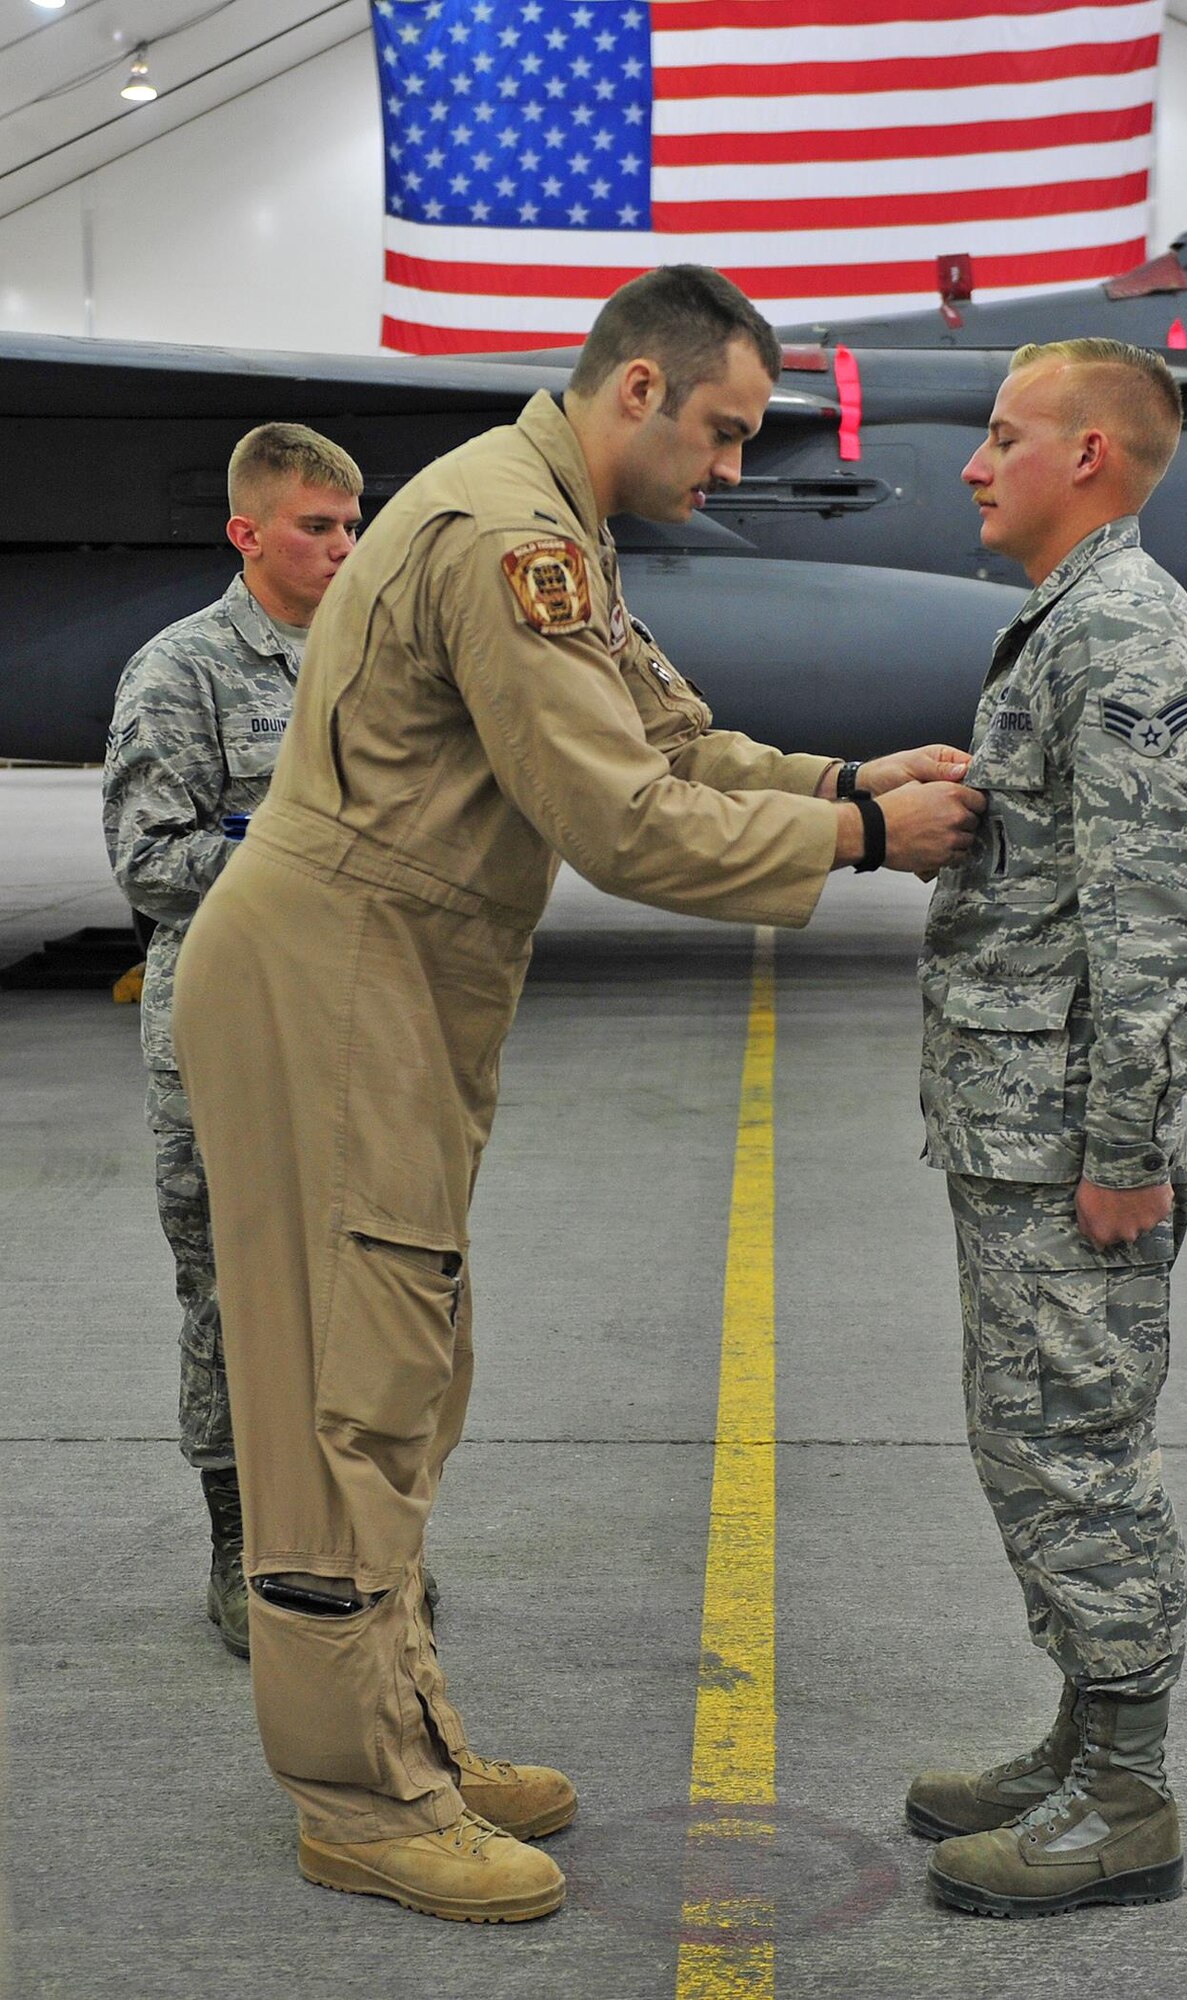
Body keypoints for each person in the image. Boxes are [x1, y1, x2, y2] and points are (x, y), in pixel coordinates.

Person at [172, 265, 986, 1925]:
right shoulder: (502, 535)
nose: (734, 468)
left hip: (386, 975)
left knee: (405, 1368)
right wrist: (855, 841)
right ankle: (361, 1802)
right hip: (333, 975)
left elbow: (667, 743)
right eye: (724, 430)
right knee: (348, 1387)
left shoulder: (548, 524)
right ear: (634, 392)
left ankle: (401, 1738)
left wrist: (838, 778)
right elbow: (619, 820)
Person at [907, 338, 1187, 1918]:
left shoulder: (1112, 629)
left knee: (1077, 1452)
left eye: (1001, 435)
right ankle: (1082, 1733)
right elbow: (1071, 857)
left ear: (1088, 455)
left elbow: (1158, 914)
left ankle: (1127, 1793)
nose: (974, 463)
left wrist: (1125, 1151)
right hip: (1020, 1120)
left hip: (1070, 1142)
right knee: (1035, 1444)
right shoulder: (1073, 621)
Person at [102, 424, 364, 1658]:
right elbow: (151, 864)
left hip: (359, 1028)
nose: (342, 547)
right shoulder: (181, 670)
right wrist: (302, 847)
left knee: (362, 1285)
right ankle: (236, 1542)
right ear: (247, 534)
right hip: (223, 1034)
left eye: (351, 525)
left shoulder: (370, 659)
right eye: (317, 527)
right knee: (228, 1291)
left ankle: (356, 1543)